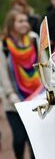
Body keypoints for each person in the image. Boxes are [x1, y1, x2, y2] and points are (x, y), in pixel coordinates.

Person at [0, 10, 41, 159]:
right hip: (14, 102)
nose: (25, 23)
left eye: (26, 20)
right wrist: (11, 95)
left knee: (34, 140)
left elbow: (43, 63)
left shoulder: (34, 39)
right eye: (20, 21)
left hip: (36, 97)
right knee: (19, 139)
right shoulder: (4, 45)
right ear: (11, 24)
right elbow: (3, 74)